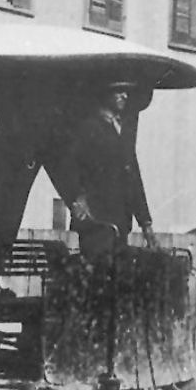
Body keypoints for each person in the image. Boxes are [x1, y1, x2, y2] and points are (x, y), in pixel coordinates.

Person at [56, 80, 156, 259]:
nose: (124, 96)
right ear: (105, 95)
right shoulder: (88, 128)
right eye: (119, 91)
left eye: (126, 92)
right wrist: (76, 198)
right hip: (96, 222)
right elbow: (68, 165)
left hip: (121, 223)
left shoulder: (123, 132)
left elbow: (133, 178)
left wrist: (146, 222)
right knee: (99, 275)